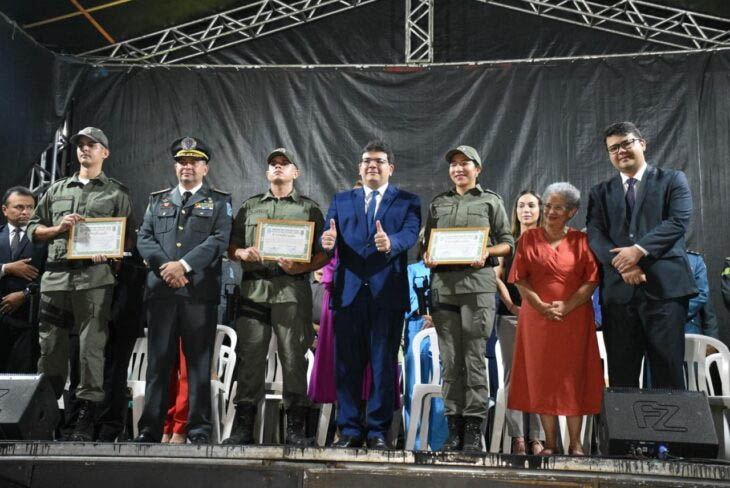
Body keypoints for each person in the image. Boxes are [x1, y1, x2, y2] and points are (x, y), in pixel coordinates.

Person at [27, 127, 132, 441]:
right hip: (56, 278)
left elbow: (126, 240)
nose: (85, 149)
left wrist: (112, 254)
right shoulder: (56, 190)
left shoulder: (117, 193)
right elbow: (34, 228)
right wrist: (57, 228)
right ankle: (44, 417)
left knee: (90, 351)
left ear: (105, 152)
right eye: (81, 145)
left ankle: (84, 422)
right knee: (50, 350)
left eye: (92, 145)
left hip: (94, 280)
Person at [321, 140, 420, 449]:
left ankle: (377, 431)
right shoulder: (341, 199)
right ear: (359, 167)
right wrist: (327, 241)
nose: (371, 165)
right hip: (348, 293)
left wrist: (391, 243)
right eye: (366, 161)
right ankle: (349, 430)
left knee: (383, 366)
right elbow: (329, 232)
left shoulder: (407, 201)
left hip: (386, 295)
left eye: (378, 161)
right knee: (346, 366)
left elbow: (410, 233)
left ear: (390, 167)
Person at [224, 147, 327, 447]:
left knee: (294, 359)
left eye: (285, 164)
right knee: (250, 359)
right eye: (273, 164)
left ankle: (296, 429)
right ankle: (243, 427)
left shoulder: (309, 210)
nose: (278, 168)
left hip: (292, 290)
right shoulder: (250, 207)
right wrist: (241, 252)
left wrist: (303, 265)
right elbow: (232, 246)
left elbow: (324, 254)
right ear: (267, 172)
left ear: (296, 172)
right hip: (254, 290)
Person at [135, 136, 232, 444]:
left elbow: (218, 241)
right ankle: (150, 429)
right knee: (158, 364)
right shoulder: (158, 199)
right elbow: (145, 239)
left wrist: (184, 266)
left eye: (193, 162)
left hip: (197, 294)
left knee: (199, 365)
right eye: (181, 162)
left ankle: (199, 430)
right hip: (162, 293)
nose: (186, 167)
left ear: (206, 167)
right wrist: (168, 268)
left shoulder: (219, 201)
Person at [586, 121, 697, 389]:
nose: (621, 151)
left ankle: (670, 433)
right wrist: (623, 264)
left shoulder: (672, 180)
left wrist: (638, 251)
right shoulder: (600, 192)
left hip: (665, 293)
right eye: (614, 148)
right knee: (622, 377)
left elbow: (678, 221)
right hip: (619, 296)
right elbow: (595, 234)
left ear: (642, 144)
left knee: (668, 373)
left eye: (627, 143)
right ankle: (627, 435)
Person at [423, 145, 514, 453]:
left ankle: (474, 429)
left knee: (474, 358)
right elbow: (428, 242)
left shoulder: (491, 201)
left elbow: (507, 242)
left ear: (478, 168)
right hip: (444, 288)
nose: (458, 168)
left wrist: (486, 251)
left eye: (465, 164)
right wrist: (427, 255)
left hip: (478, 287)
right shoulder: (439, 204)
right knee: (449, 361)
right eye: (454, 164)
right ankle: (454, 428)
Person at [508, 182, 603, 456]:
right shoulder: (528, 238)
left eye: (557, 207)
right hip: (536, 320)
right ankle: (550, 443)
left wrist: (568, 305)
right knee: (542, 379)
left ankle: (575, 444)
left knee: (573, 378)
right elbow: (519, 278)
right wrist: (539, 304)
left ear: (571, 212)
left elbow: (592, 280)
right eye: (547, 206)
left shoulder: (581, 241)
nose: (550, 211)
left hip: (573, 319)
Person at [493, 190, 544, 455]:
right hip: (510, 317)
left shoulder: (549, 242)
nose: (526, 210)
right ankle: (517, 437)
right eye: (521, 205)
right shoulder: (508, 243)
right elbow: (496, 277)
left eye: (531, 205)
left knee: (537, 376)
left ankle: (537, 436)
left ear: (540, 210)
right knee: (513, 376)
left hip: (541, 318)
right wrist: (513, 305)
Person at [402, 229, 447, 451]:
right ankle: (415, 443)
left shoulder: (450, 272)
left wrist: (441, 318)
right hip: (418, 329)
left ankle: (439, 444)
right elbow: (408, 303)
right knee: (414, 387)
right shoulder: (412, 270)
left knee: (443, 387)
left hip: (446, 330)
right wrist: (424, 314)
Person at [0, 186, 47, 373]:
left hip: (29, 317)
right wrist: (6, 268)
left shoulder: (44, 240)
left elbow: (50, 275)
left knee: (23, 375)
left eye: (30, 207)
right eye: (19, 207)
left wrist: (25, 293)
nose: (26, 212)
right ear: (4, 209)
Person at [684, 251, 719, 340]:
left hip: (690, 333)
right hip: (656, 333)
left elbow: (706, 305)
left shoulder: (693, 260)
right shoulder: (648, 258)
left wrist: (712, 340)